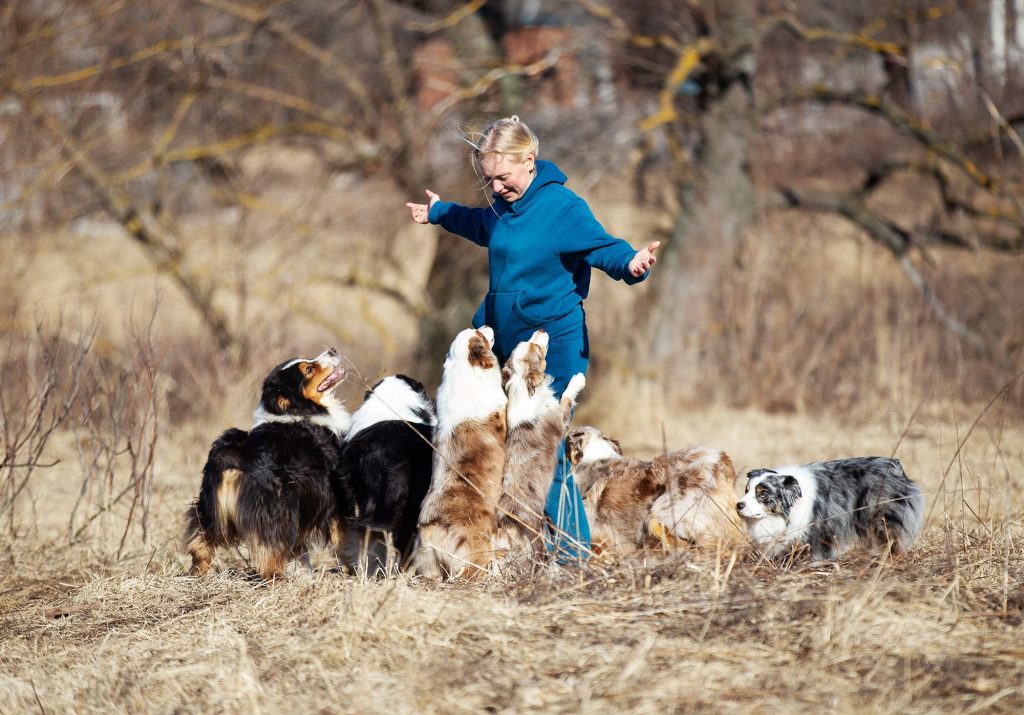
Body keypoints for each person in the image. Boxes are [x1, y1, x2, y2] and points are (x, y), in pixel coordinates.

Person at [406, 115, 659, 562]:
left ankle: (572, 557)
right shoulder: (504, 207)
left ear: (529, 160)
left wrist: (631, 264)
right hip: (505, 346)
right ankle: (511, 549)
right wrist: (439, 212)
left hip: (554, 348)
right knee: (498, 448)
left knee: (549, 454)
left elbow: (603, 247)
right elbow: (482, 225)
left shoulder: (562, 207)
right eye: (489, 180)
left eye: (503, 177)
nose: (497, 188)